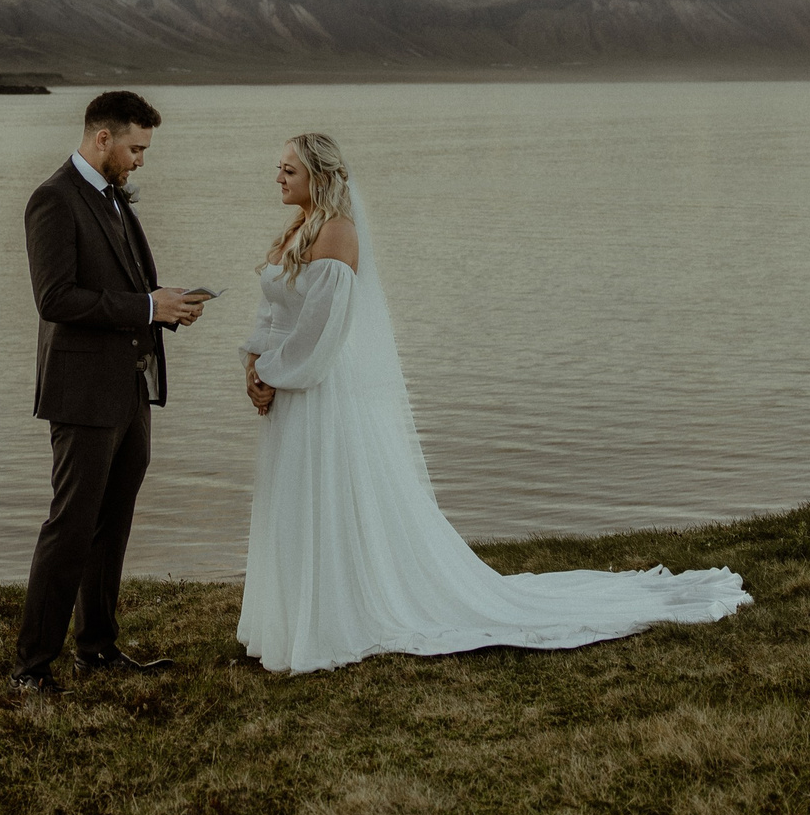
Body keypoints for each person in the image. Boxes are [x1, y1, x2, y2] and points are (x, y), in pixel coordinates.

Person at [238, 132, 751, 673]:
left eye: (288, 170)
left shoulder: (338, 234)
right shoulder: (294, 231)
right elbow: (274, 313)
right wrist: (253, 365)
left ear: (317, 176)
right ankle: (294, 618)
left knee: (329, 499)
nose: (278, 177)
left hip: (318, 393)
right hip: (289, 388)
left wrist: (274, 373)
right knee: (294, 501)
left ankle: (335, 617)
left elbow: (324, 329)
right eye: (279, 168)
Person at [11, 90, 208, 693]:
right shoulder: (53, 199)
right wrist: (147, 304)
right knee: (71, 525)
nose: (141, 160)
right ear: (103, 138)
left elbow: (121, 287)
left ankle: (96, 647)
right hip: (82, 393)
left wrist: (162, 307)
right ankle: (32, 666)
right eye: (136, 148)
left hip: (129, 388)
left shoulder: (113, 199)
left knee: (112, 522)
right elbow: (55, 298)